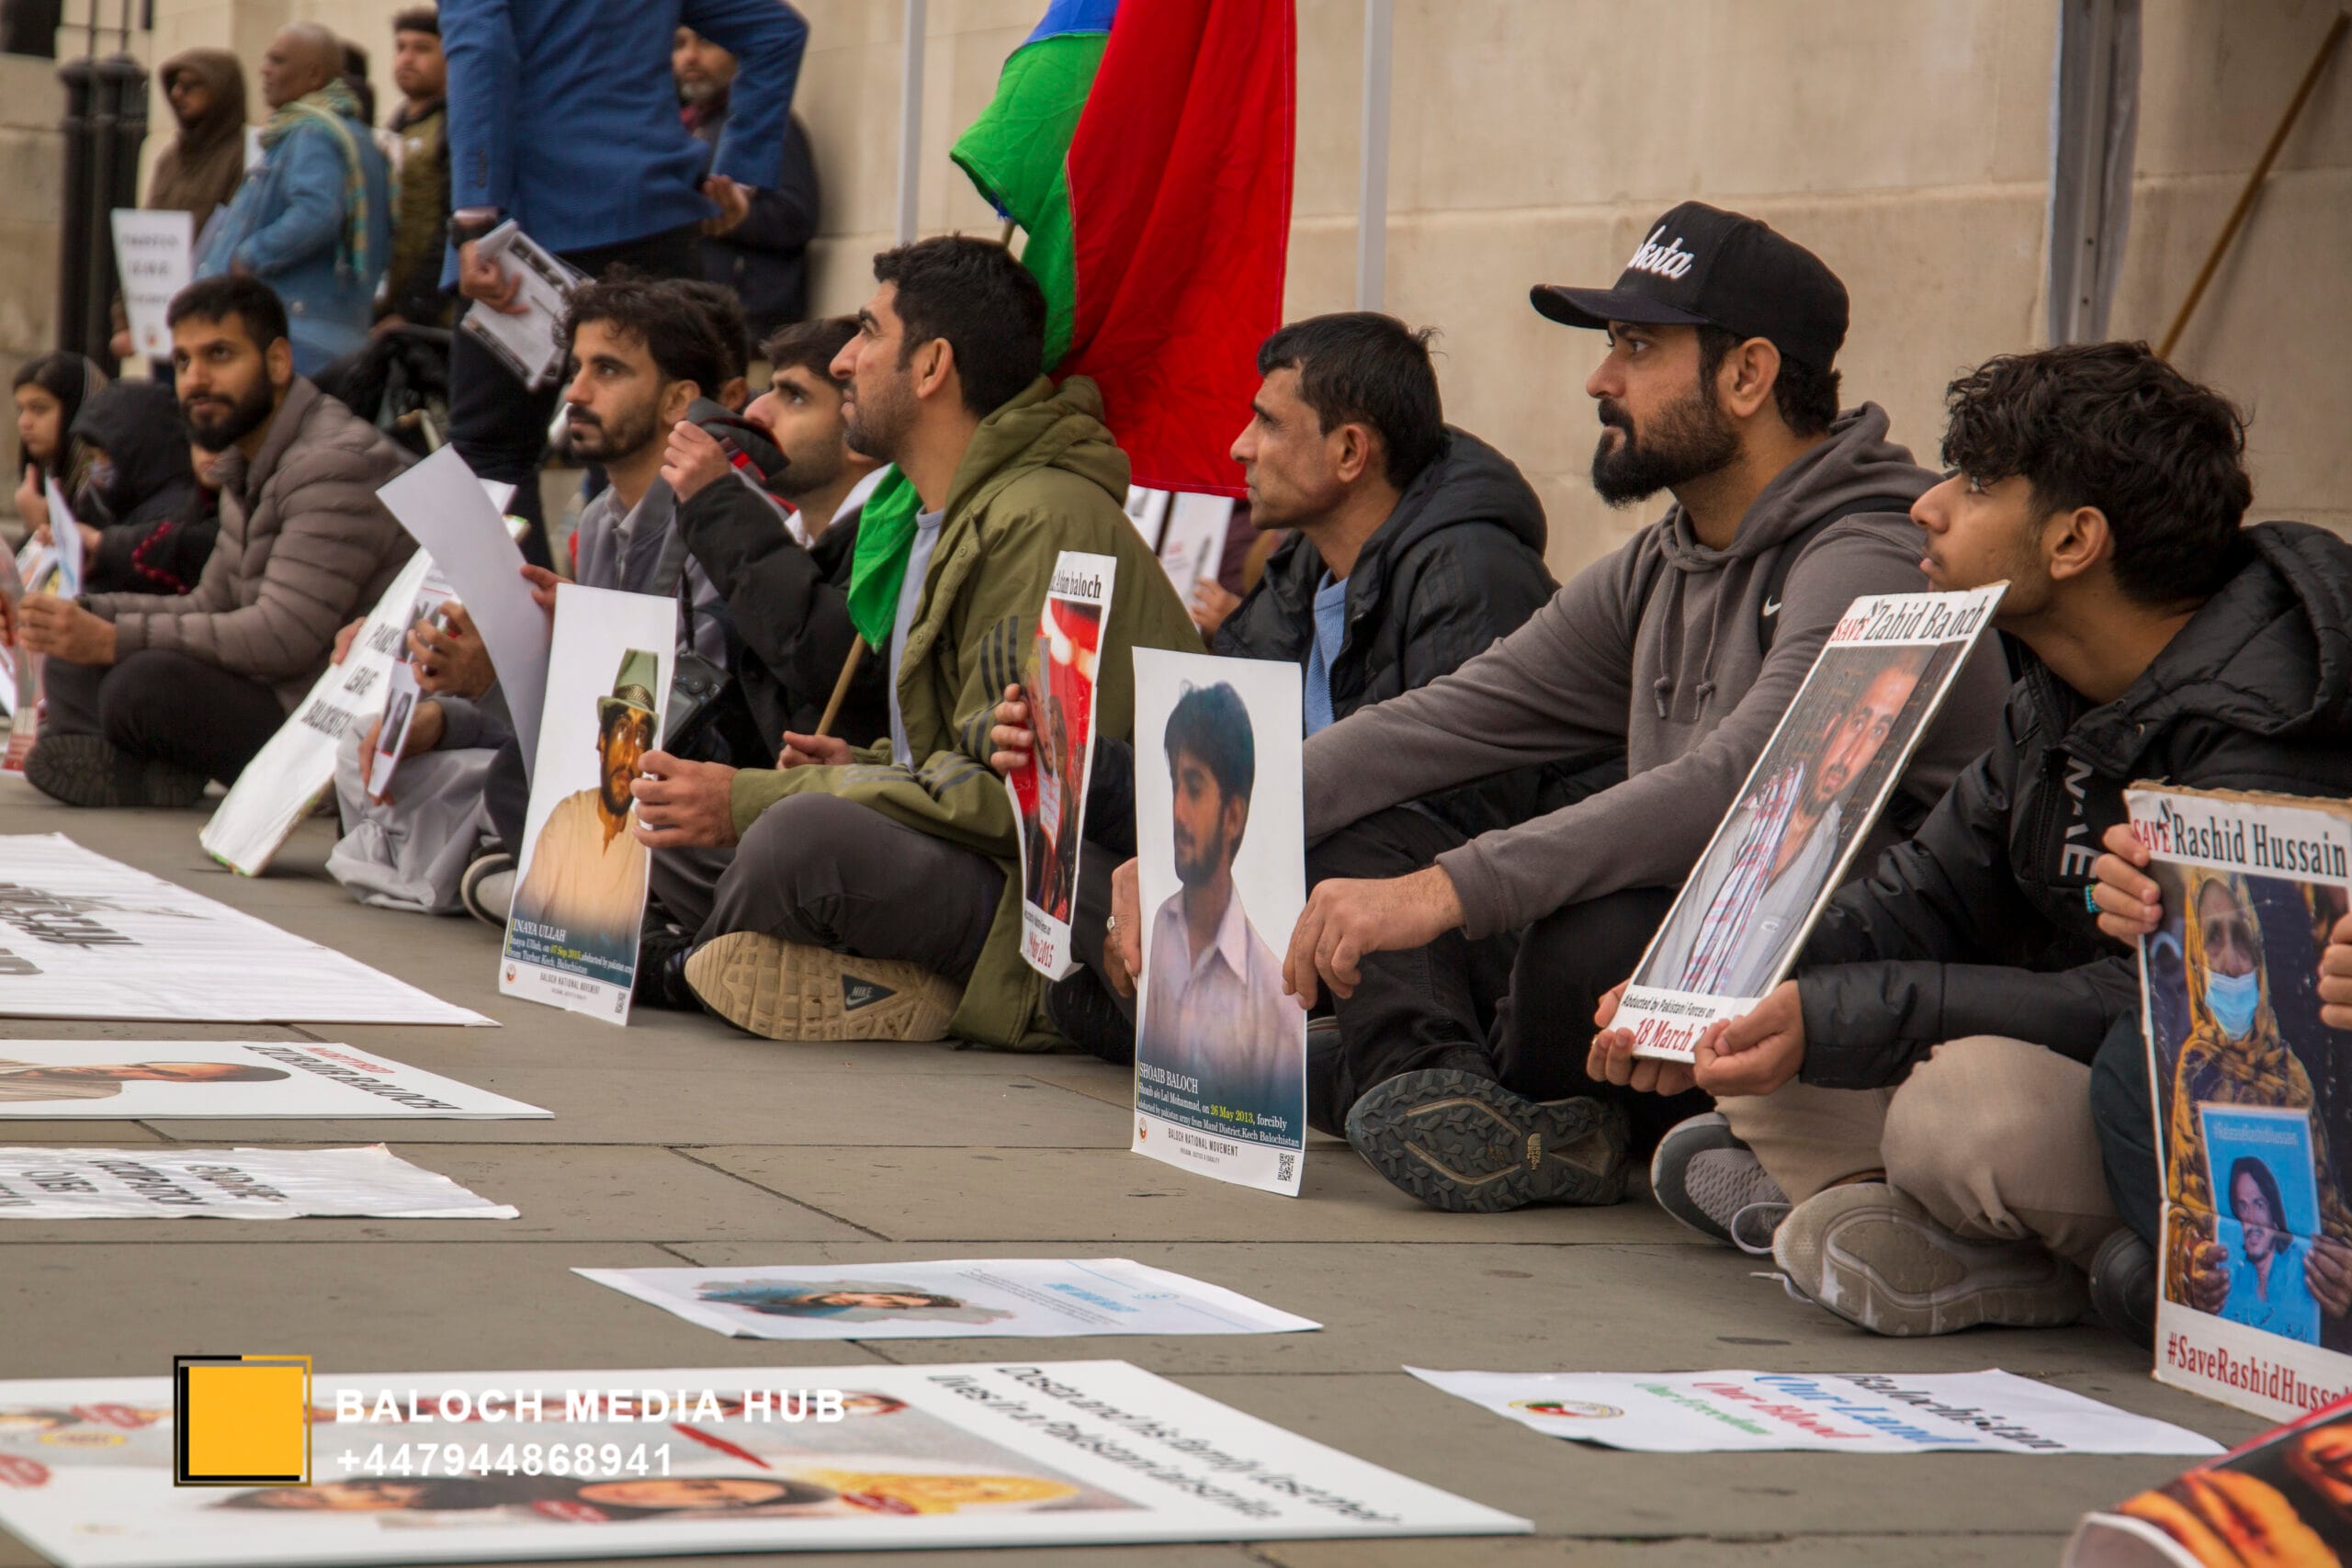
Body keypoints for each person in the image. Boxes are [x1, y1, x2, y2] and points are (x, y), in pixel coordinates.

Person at [1105, 202, 2005, 1213]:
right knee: (1368, 838)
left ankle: (1489, 1102)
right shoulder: (1662, 563)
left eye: (1636, 346)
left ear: (1747, 376)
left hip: (1832, 980)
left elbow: (1750, 790)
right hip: (1646, 988)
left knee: (1574, 927)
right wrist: (1189, 835)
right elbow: (1445, 719)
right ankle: (1438, 1094)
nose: (1598, 379)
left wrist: (1442, 891)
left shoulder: (1869, 554)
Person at [1590, 341, 2352, 1338]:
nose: (1928, 503)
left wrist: (1838, 1014)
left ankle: (2059, 1264)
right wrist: (1695, 988)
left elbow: (2172, 1018)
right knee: (1756, 1034)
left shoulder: (2268, 711)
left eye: (1977, 483)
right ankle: (1921, 1230)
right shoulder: (2050, 681)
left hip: (2166, 1105)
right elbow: (1925, 891)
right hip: (2061, 1061)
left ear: (2073, 541)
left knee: (1956, 1112)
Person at [627, 235, 1197, 1045]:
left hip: (1046, 899)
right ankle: (829, 971)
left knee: (795, 837)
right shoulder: (943, 514)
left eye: (866, 333)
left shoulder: (1038, 517)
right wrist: (858, 768)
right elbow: (956, 757)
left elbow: (1020, 803)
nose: (845, 361)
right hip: (970, 854)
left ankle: (695, 968)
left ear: (931, 367)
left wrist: (761, 799)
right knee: (663, 828)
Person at [997, 312, 1611, 1059]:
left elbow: (1458, 822)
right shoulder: (1296, 575)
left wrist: (1243, 845)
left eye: (1266, 423)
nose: (1239, 447)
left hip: (1468, 940)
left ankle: (1422, 1071)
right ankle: (1261, 1052)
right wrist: (1072, 755)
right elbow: (1222, 773)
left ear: (1350, 451)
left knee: (1360, 831)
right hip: (1308, 901)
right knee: (1096, 859)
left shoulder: (1471, 573)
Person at [12, 276, 414, 807]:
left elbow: (281, 636)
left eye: (219, 355)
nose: (196, 379)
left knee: (142, 682)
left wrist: (115, 637)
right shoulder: (248, 461)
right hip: (273, 682)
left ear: (276, 362)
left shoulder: (332, 462)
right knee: (74, 643)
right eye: (181, 362)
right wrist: (85, 614)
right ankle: (143, 771)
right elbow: (212, 603)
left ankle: (134, 767)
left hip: (327, 717)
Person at [440, 0, 808, 564]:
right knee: (667, 452)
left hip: (529, 231)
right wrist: (740, 172)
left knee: (491, 466)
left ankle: (534, 647)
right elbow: (776, 30)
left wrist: (473, 215)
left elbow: (480, 50)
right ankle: (666, 634)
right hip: (655, 218)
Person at [1639, 649, 1930, 1000]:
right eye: (1858, 722)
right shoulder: (1755, 810)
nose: (1852, 754)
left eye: (1878, 732)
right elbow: (1678, 947)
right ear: (1831, 727)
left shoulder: (1834, 846)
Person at [1137, 681, 1308, 1134]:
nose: (1176, 810)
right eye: (1175, 785)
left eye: (1193, 789)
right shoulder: (1158, 930)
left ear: (1233, 817)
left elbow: (1275, 1142)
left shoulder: (1276, 998)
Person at [193, 23, 390, 379]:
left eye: (278, 61)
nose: (264, 69)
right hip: (332, 335)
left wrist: (249, 256)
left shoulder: (313, 133)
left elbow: (317, 213)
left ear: (314, 74)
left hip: (297, 336)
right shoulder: (353, 136)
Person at [506, 651, 659, 972]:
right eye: (621, 730)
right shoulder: (569, 816)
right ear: (601, 740)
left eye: (641, 737)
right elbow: (528, 920)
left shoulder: (640, 841)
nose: (630, 754)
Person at [674, 25, 820, 339]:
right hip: (696, 334)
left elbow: (796, 218)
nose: (690, 56)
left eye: (706, 41)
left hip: (748, 336)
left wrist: (717, 210)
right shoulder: (684, 129)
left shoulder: (763, 126)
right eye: (679, 44)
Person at [64, 381, 210, 597]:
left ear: (137, 451)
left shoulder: (177, 513)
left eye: (104, 456)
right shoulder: (126, 499)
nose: (97, 468)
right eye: (92, 457)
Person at [377, 7, 452, 333]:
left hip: (432, 315)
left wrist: (412, 310)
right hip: (386, 304)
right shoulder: (393, 127)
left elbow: (453, 224)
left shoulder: (452, 125)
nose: (407, 58)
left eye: (421, 48)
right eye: (400, 47)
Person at [146, 49, 250, 223]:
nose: (177, 94)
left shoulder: (244, 155)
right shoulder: (171, 157)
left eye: (189, 86)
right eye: (175, 85)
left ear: (219, 90)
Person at [12, 353, 105, 537]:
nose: (24, 422)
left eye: (39, 409)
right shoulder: (49, 472)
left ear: (78, 412)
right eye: (21, 410)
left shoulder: (104, 491)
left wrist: (42, 526)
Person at [0, 1059, 290, 1103]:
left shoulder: (95, 1090)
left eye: (161, 1074)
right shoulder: (19, 1062)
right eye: (139, 1064)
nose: (114, 1070)